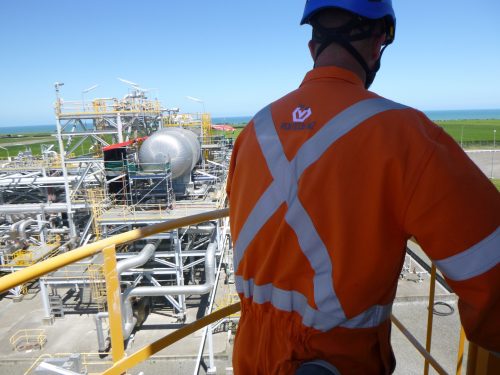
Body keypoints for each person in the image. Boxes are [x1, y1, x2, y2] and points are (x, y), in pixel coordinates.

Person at [226, 1, 500, 373]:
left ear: (312, 48)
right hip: (339, 362)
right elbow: (492, 276)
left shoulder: (252, 132)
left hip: (250, 358)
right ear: (377, 45)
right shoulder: (406, 135)